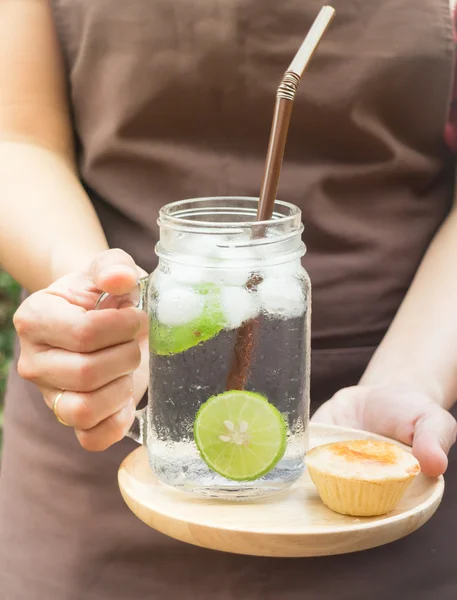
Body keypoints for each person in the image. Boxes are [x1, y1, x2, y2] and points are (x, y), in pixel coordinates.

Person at [0, 0, 457, 598]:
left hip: (374, 446)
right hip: (94, 465)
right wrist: (95, 295)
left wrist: (415, 376)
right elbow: (19, 136)